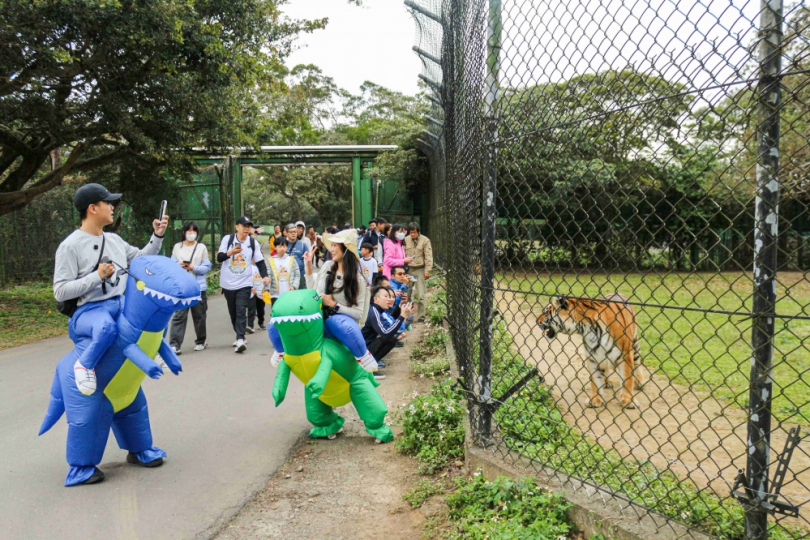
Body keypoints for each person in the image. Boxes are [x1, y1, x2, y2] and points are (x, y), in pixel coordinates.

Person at [54, 183, 167, 395]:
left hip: (118, 302)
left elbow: (141, 259)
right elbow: (60, 291)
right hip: (88, 310)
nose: (112, 207)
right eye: (108, 202)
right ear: (92, 208)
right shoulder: (70, 246)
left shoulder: (114, 240)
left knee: (153, 314)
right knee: (106, 328)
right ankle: (83, 365)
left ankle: (152, 350)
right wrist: (97, 276)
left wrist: (157, 235)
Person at [267, 229, 377, 372]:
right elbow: (313, 292)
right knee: (276, 322)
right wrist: (308, 267)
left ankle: (363, 356)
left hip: (336, 324)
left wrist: (333, 305)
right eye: (331, 245)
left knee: (337, 322)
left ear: (346, 249)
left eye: (335, 246)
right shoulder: (327, 267)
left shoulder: (358, 280)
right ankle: (281, 351)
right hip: (317, 320)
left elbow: (358, 314)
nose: (331, 249)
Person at [217, 216, 270, 353]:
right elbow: (219, 258)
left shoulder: (253, 242)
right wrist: (230, 253)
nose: (247, 229)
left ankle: (240, 338)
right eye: (244, 226)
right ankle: (239, 334)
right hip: (228, 283)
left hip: (245, 283)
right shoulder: (227, 240)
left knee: (241, 310)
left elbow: (260, 261)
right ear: (237, 227)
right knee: (233, 312)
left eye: (249, 226)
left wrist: (265, 276)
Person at [168, 221, 212, 354]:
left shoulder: (201, 247)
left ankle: (201, 341)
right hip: (182, 287)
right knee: (179, 315)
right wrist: (179, 265)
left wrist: (194, 268)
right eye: (189, 231)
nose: (191, 234)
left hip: (197, 287)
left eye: (194, 231)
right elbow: (171, 264)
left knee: (199, 315)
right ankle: (175, 344)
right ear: (184, 232)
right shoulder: (177, 247)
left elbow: (207, 267)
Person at [362, 287, 413, 378]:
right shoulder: (374, 312)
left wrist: (401, 313)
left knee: (392, 339)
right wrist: (402, 316)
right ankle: (369, 370)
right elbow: (385, 334)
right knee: (390, 339)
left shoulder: (377, 310)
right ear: (376, 299)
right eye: (386, 296)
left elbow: (388, 330)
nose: (389, 299)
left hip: (364, 347)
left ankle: (371, 366)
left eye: (390, 297)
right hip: (361, 350)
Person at [404, 222, 434, 323]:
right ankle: (407, 315)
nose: (412, 234)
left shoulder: (425, 240)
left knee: (421, 295)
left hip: (420, 269)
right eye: (411, 232)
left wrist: (427, 271)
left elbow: (428, 256)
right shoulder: (406, 240)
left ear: (418, 232)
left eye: (414, 232)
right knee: (407, 293)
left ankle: (421, 316)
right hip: (409, 269)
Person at [266, 237, 300, 303]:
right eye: (280, 246)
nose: (282, 248)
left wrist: (294, 286)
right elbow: (268, 276)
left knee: (288, 312)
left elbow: (297, 275)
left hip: (289, 293)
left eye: (284, 246)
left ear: (287, 247)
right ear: (275, 247)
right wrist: (267, 289)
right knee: (276, 312)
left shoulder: (291, 259)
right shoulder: (271, 260)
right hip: (275, 295)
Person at [247, 225, 267, 333]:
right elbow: (246, 278)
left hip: (261, 290)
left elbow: (266, 277)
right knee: (251, 308)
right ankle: (250, 325)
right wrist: (251, 288)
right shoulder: (249, 267)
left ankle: (261, 322)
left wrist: (266, 288)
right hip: (252, 290)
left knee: (261, 308)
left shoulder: (262, 267)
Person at [286, 223, 310, 290]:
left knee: (301, 295)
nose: (293, 234)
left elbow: (308, 260)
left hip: (301, 274)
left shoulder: (303, 244)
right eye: (291, 232)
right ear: (287, 233)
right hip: (287, 275)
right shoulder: (284, 244)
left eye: (295, 232)